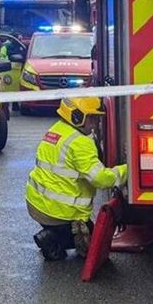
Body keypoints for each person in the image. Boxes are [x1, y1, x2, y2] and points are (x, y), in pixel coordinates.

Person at [26, 96, 128, 261]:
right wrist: (127, 169)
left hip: (37, 205)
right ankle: (51, 239)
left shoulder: (57, 130)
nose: (95, 124)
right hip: (57, 212)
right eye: (92, 118)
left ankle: (55, 234)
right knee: (94, 246)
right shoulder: (80, 143)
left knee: (88, 236)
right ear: (77, 116)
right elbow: (102, 179)